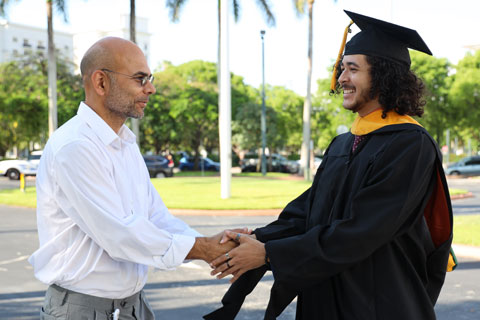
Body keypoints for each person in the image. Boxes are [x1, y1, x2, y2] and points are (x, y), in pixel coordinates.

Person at [205, 10, 454, 320]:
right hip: (323, 299)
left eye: (352, 69)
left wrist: (270, 254)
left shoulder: (410, 145)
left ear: (383, 75)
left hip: (377, 304)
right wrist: (257, 239)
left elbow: (362, 230)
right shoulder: (342, 144)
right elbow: (308, 213)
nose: (341, 79)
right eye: (342, 69)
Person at [28, 37, 240, 320]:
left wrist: (214, 244)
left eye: (149, 79)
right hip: (81, 311)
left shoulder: (125, 143)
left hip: (132, 306)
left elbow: (156, 218)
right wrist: (205, 249)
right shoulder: (75, 146)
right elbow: (120, 234)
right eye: (140, 79)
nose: (151, 89)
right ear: (101, 83)